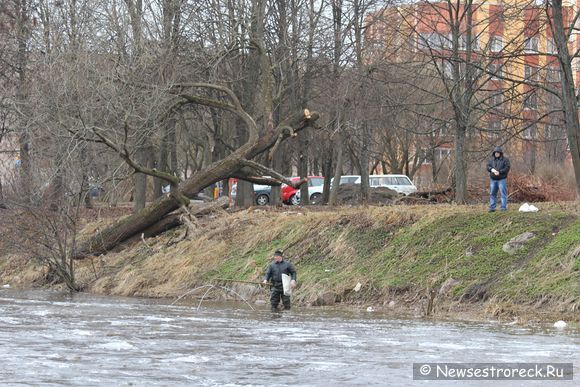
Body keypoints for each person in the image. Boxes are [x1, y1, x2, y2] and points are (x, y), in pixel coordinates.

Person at [486, 146, 511, 212]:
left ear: (500, 153)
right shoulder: (491, 160)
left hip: (502, 179)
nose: (496, 154)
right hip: (493, 179)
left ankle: (503, 208)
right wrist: (491, 169)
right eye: (495, 153)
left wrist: (499, 172)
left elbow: (507, 168)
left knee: (503, 194)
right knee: (492, 194)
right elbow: (488, 166)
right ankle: (492, 208)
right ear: (494, 153)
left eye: (498, 152)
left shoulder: (505, 160)